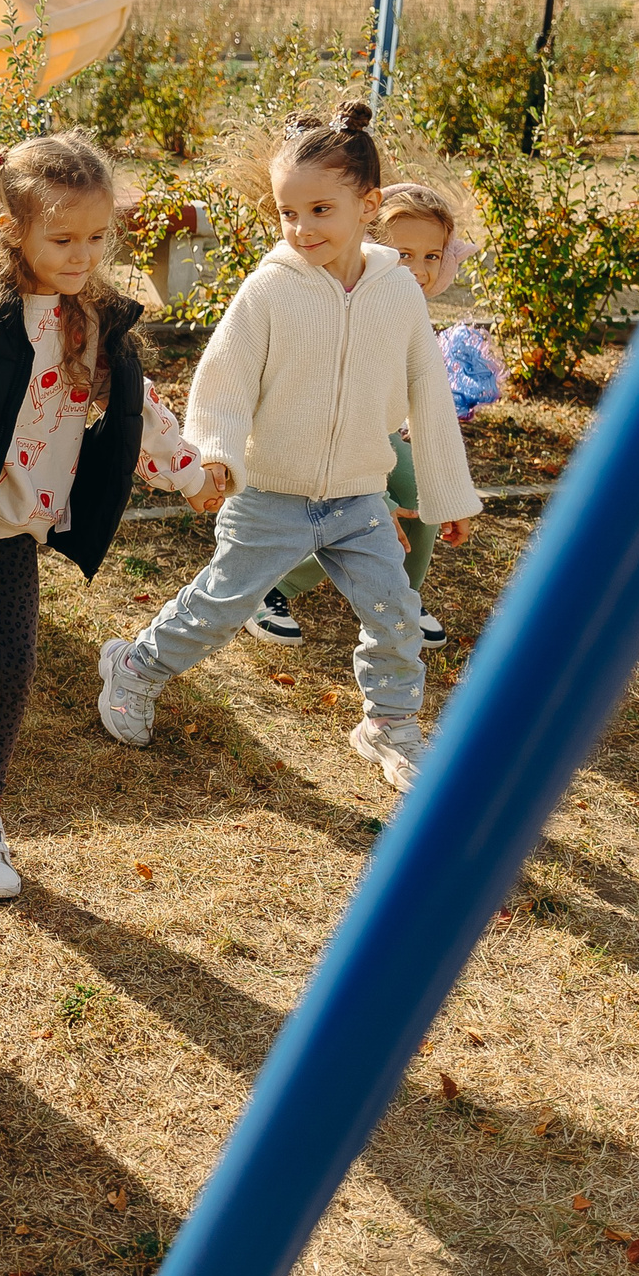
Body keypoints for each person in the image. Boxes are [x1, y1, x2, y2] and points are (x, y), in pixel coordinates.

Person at [0, 134, 222, 899]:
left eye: (96, 238)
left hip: (18, 534)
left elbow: (141, 413)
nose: (82, 253)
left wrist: (191, 471)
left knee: (16, 667)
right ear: (12, 230)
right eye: (62, 238)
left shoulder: (91, 324)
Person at [96, 104, 481, 793]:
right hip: (272, 489)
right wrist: (215, 456)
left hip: (360, 494)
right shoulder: (269, 289)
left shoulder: (398, 292)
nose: (301, 229)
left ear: (368, 205)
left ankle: (390, 723)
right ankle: (136, 667)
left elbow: (429, 392)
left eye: (320, 210)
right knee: (217, 606)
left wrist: (444, 494)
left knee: (395, 611)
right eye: (287, 212)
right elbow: (224, 381)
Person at [246, 181, 473, 649]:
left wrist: (448, 496)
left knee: (419, 492)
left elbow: (423, 394)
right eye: (404, 255)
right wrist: (378, 501)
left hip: (373, 433)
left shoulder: (407, 306)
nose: (420, 269)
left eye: (432, 256)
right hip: (311, 435)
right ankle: (272, 587)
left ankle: (400, 596)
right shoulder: (342, 304)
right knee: (358, 516)